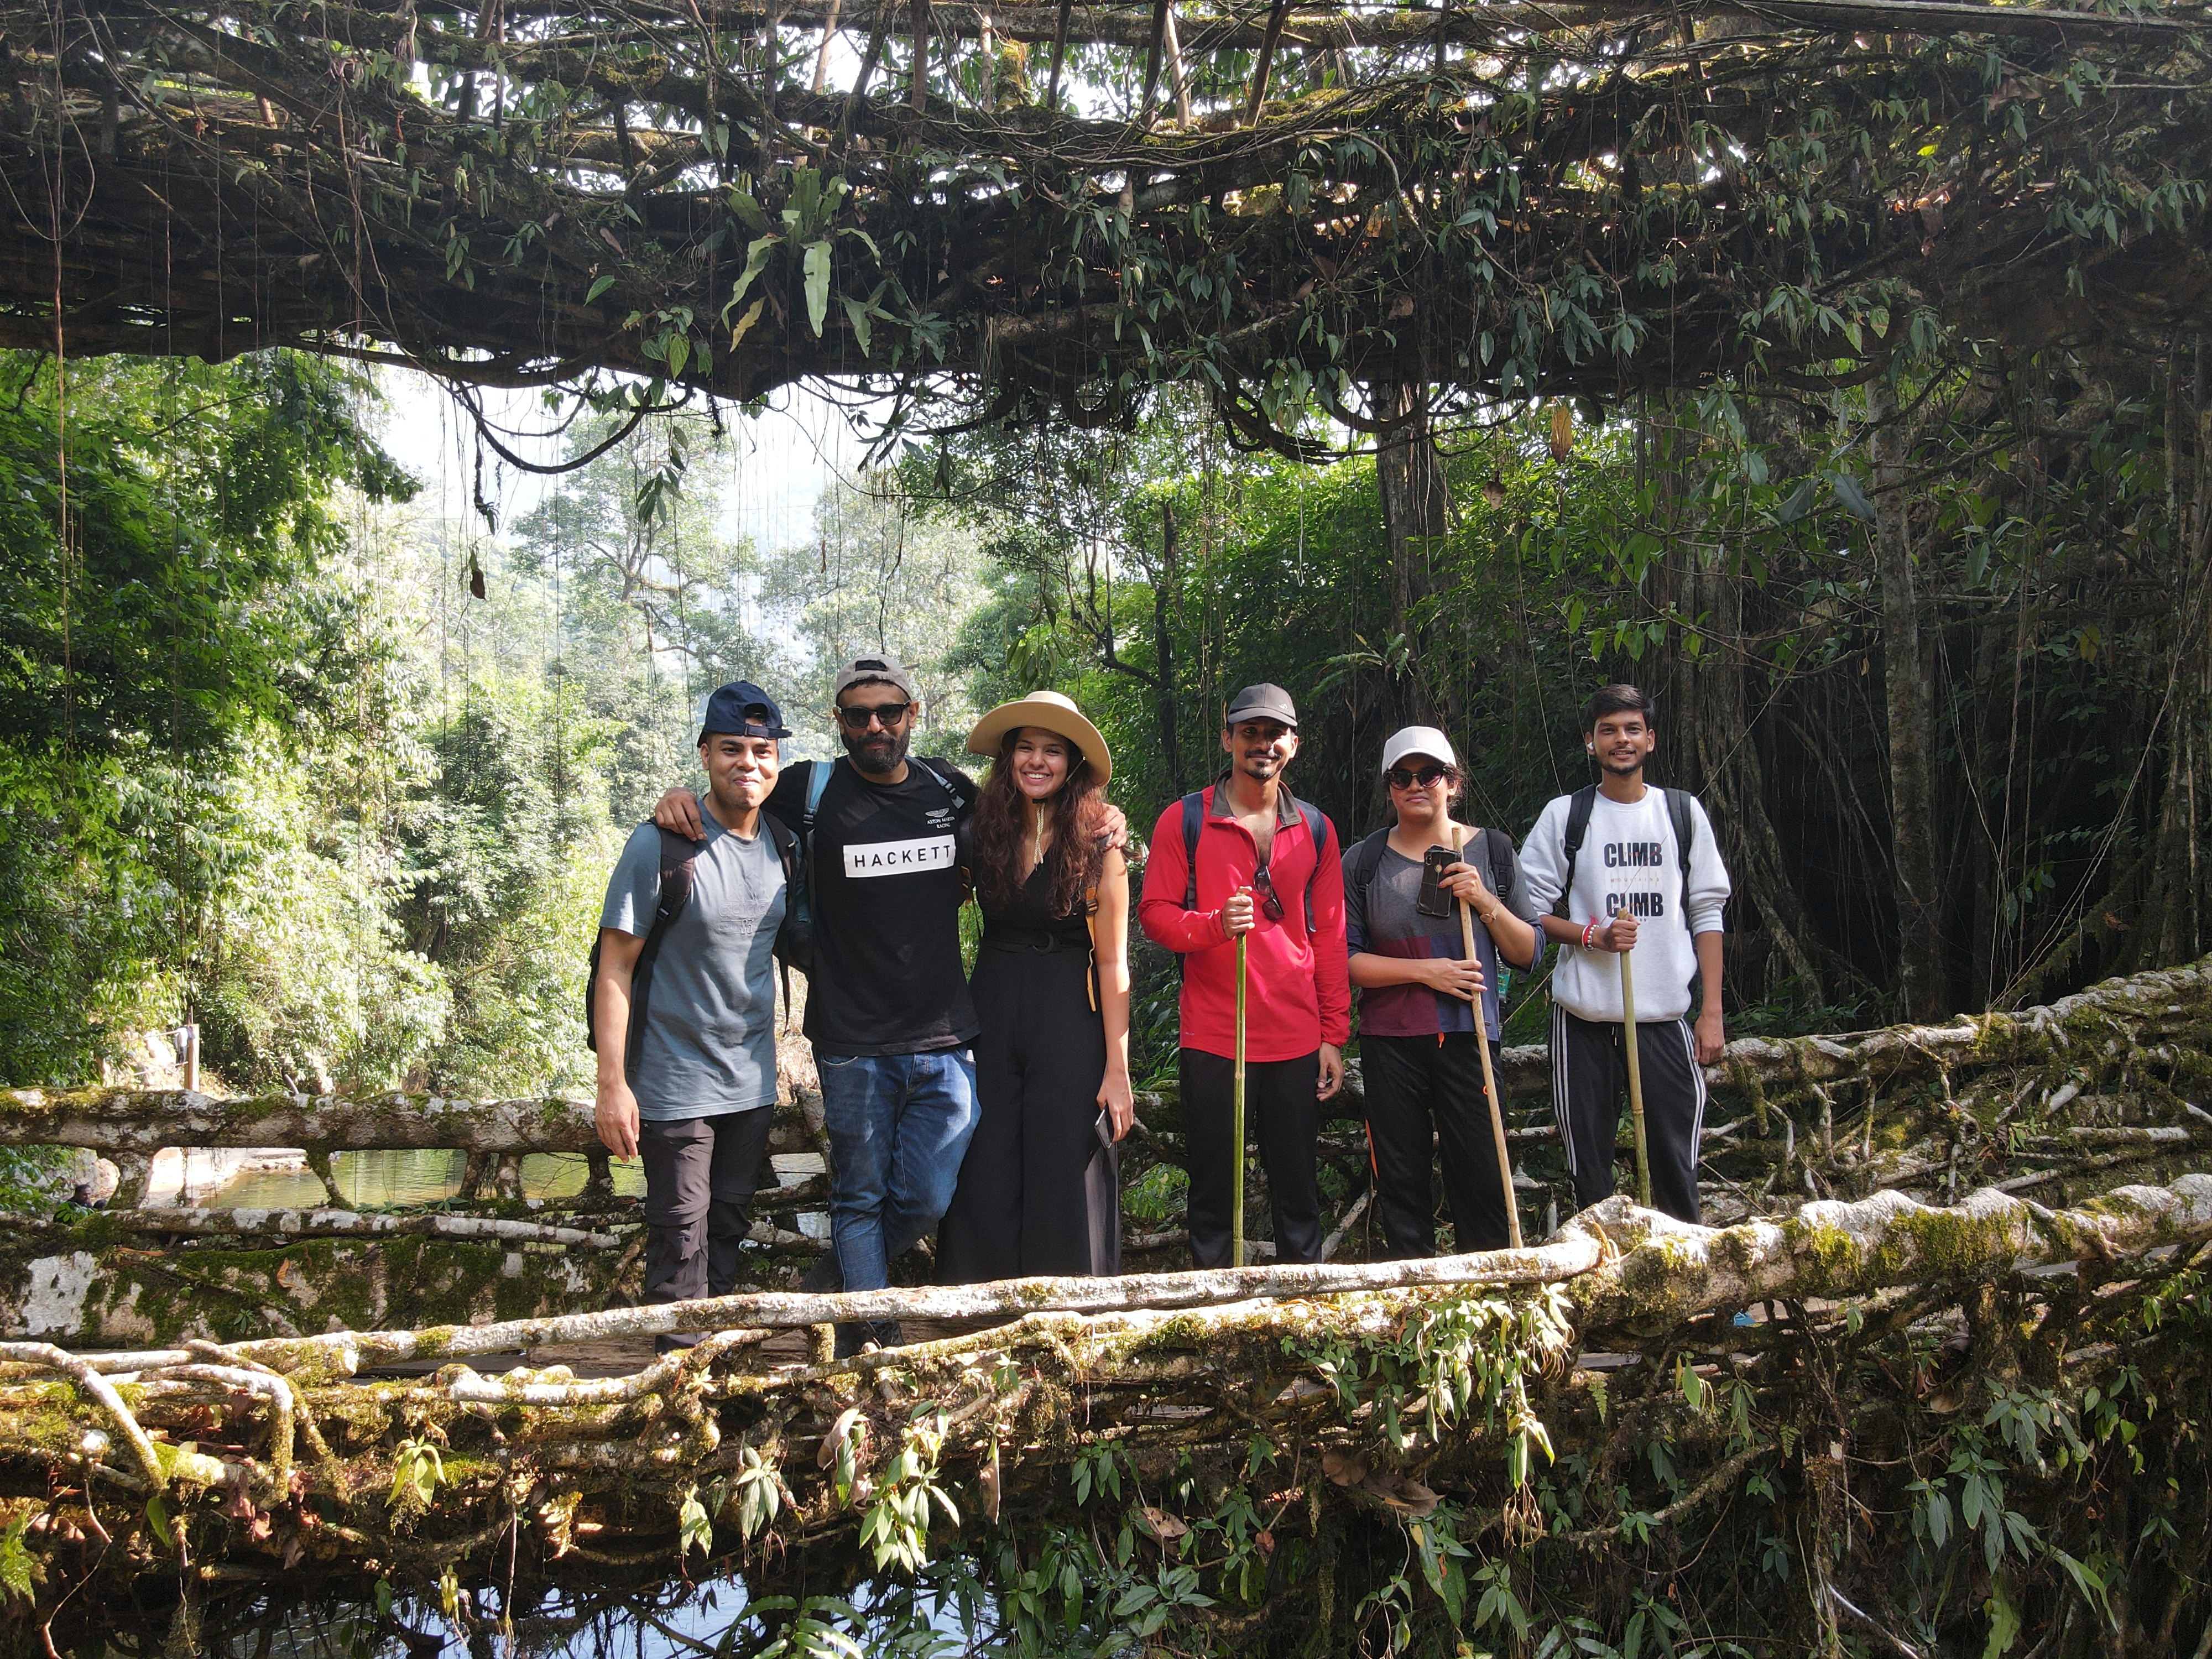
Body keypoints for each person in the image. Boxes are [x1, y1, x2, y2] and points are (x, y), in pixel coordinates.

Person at [653, 654, 1125, 1353]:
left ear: (912, 716)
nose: (875, 725)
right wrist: (676, 797)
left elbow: (1037, 823)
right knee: (859, 1197)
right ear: (838, 721)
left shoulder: (950, 790)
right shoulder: (808, 790)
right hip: (850, 1039)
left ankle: (828, 1289)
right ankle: (870, 1333)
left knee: (931, 1197)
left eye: (889, 712)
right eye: (858, 713)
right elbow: (734, 788)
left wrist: (1108, 817)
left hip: (944, 1035)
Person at [593, 681, 795, 1352]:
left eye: (762, 751)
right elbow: (614, 968)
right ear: (704, 754)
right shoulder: (661, 845)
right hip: (673, 1082)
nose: (748, 764)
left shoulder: (787, 845)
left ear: (777, 760)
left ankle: (717, 1371)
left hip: (751, 1082)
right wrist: (612, 1084)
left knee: (727, 1228)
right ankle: (678, 1385)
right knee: (680, 1234)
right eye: (731, 749)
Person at [1138, 684, 1349, 1267]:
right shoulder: (1185, 819)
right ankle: (1212, 1312)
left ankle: (1301, 1311)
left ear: (1294, 745)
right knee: (1212, 1187)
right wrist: (1211, 925)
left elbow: (1329, 935)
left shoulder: (1316, 828)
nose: (1263, 744)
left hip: (1296, 1036)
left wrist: (1334, 1034)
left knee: (1297, 1187)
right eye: (1250, 732)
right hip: (1213, 1034)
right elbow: (1154, 915)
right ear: (1228, 738)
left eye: (1275, 733)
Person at [935, 692, 1134, 1282]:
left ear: (1072, 763)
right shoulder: (978, 833)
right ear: (1007, 758)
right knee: (984, 1153)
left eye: (1052, 750)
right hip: (991, 1006)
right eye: (1025, 748)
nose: (1037, 761)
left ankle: (1070, 1304)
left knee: (1065, 1154)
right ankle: (978, 1303)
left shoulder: (1101, 840)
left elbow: (1114, 961)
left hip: (1070, 1014)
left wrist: (1117, 1068)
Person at [1519, 684, 1731, 1223]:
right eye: (1608, 730)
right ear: (1590, 743)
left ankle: (1693, 1288)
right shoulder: (1566, 815)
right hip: (1584, 1018)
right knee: (1590, 1178)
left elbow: (1707, 912)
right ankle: (1604, 1286)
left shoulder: (1680, 814)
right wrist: (1592, 936)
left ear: (1651, 739)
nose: (1621, 740)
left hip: (1662, 1017)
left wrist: (1710, 1014)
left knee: (1676, 1168)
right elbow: (1525, 911)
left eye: (1632, 729)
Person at [1344, 727, 1542, 1256]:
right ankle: (1416, 1308)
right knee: (1402, 1182)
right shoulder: (1363, 862)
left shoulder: (1491, 850)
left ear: (1452, 783)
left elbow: (1529, 952)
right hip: (1391, 1041)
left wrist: (1483, 900)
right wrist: (1425, 972)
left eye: (1428, 774)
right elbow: (1347, 960)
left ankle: (1491, 1301)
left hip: (1469, 1037)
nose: (1416, 786)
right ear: (1389, 787)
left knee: (1481, 1172)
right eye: (1402, 777)